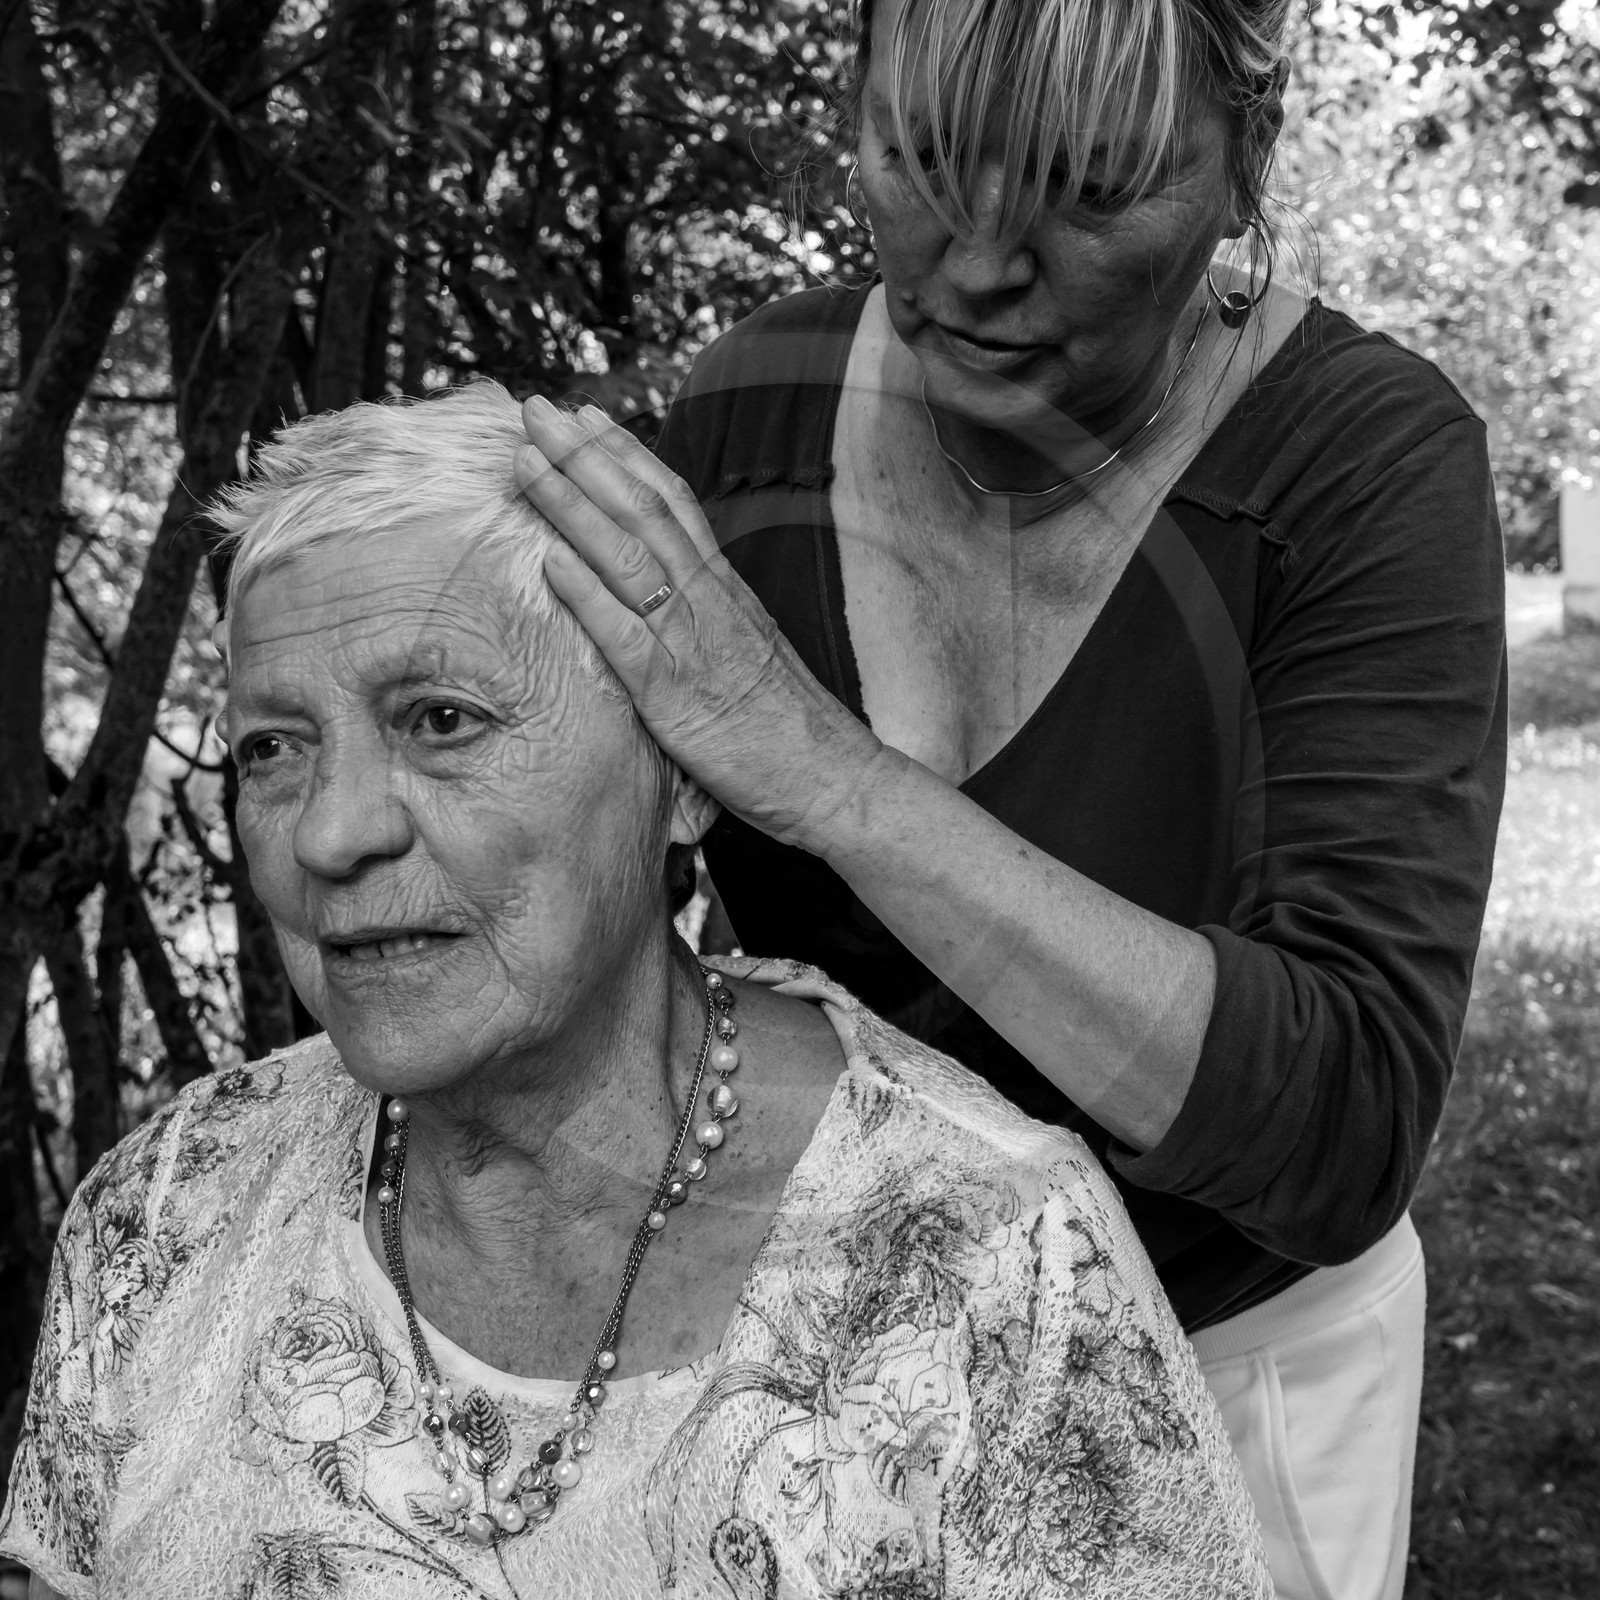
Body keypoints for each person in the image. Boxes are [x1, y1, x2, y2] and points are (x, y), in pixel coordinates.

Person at [508, 1, 1508, 1596]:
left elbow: (1340, 1126)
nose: (975, 268)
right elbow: (630, 953)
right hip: (842, 1361)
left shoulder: (1362, 465)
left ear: (1243, 162)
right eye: (918, 161)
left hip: (1230, 1363)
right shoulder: (749, 407)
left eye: (1089, 189)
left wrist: (829, 777)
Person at [1, 382, 1270, 1599]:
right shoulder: (170, 1209)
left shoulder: (986, 1259)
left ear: (678, 770)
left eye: (440, 718)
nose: (329, 833)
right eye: (272, 747)